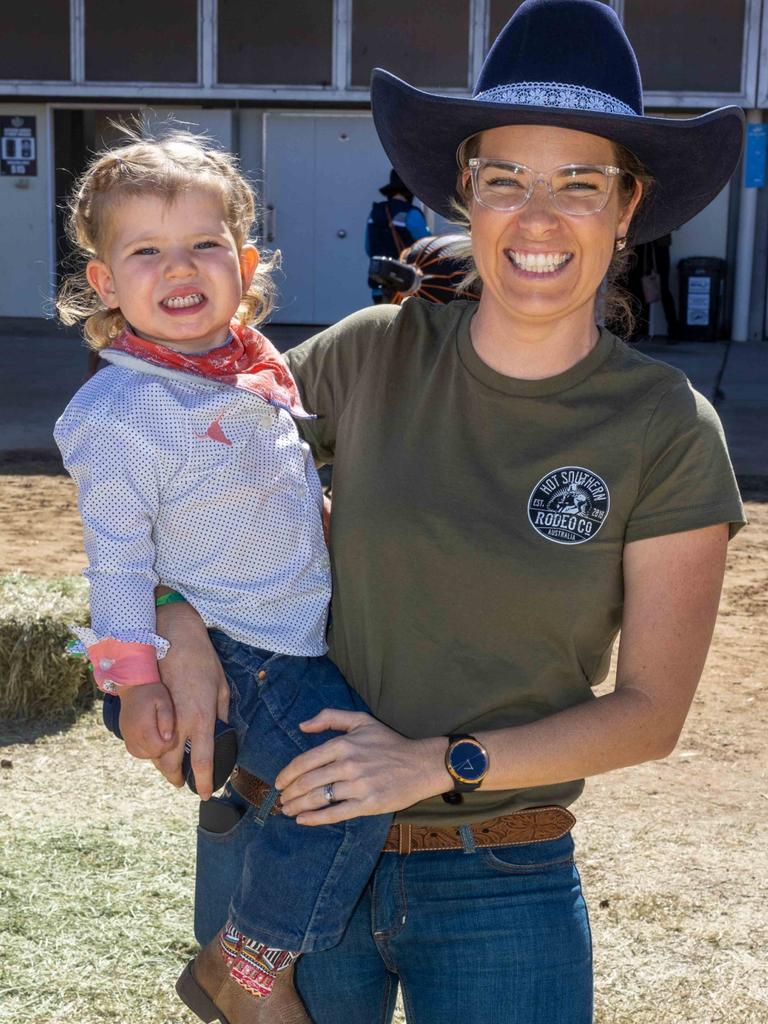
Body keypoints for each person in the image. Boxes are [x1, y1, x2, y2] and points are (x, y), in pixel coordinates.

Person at [126, 2, 746, 1022]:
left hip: (497, 875)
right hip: (291, 850)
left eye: (580, 184)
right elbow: (172, 475)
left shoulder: (667, 428)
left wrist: (432, 762)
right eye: (506, 179)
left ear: (629, 208)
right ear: (467, 193)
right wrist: (177, 616)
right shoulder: (367, 355)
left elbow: (650, 715)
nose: (538, 216)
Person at [53, 130, 394, 1024]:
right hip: (255, 652)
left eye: (206, 244)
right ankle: (241, 973)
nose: (182, 267)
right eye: (147, 251)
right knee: (350, 798)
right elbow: (118, 559)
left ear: (245, 263)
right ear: (105, 283)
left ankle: (243, 953)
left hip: (292, 634)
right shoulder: (120, 407)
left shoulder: (247, 370)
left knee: (316, 801)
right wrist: (130, 688)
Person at [365, 169, 430, 302]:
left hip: (378, 285)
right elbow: (427, 250)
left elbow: (368, 248)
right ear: (409, 191)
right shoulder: (411, 214)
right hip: (404, 286)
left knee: (382, 321)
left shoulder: (375, 213)